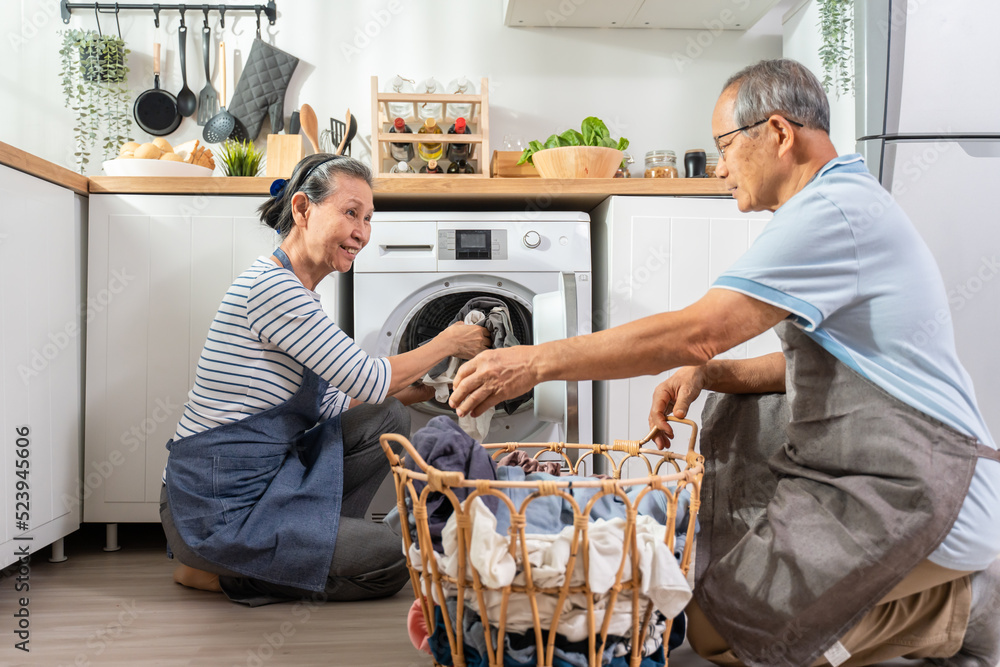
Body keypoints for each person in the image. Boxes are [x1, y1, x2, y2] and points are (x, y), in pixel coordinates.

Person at [448, 59, 1000, 667]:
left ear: (779, 134)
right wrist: (710, 374)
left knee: (734, 639)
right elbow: (819, 369)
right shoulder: (833, 202)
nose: (718, 166)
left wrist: (533, 363)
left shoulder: (832, 212)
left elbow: (698, 331)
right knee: (714, 614)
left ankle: (967, 604)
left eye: (725, 146)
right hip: (878, 473)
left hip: (930, 493)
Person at [160, 154, 490, 606]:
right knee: (393, 560)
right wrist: (449, 341)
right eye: (351, 213)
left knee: (388, 415)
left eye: (369, 218)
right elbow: (366, 379)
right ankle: (219, 573)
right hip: (215, 506)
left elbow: (338, 403)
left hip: (264, 483)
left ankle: (310, 538)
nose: (363, 232)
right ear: (302, 209)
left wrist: (434, 390)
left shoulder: (299, 295)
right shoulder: (272, 290)